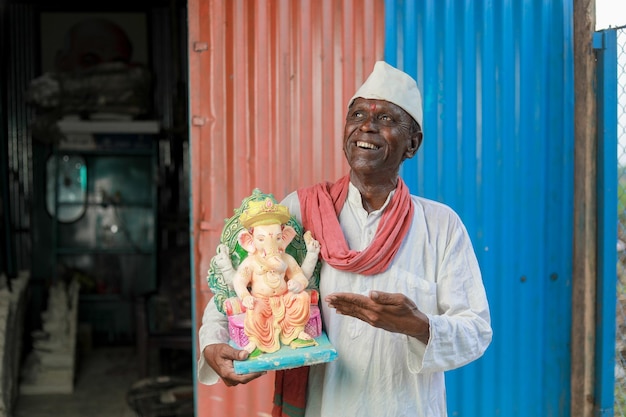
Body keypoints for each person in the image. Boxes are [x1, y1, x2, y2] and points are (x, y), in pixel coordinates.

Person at [198, 61, 492, 417]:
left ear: (412, 144)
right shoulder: (303, 211)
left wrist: (418, 325)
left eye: (386, 119)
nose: (366, 126)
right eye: (357, 114)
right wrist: (213, 342)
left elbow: (475, 330)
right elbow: (236, 289)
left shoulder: (441, 226)